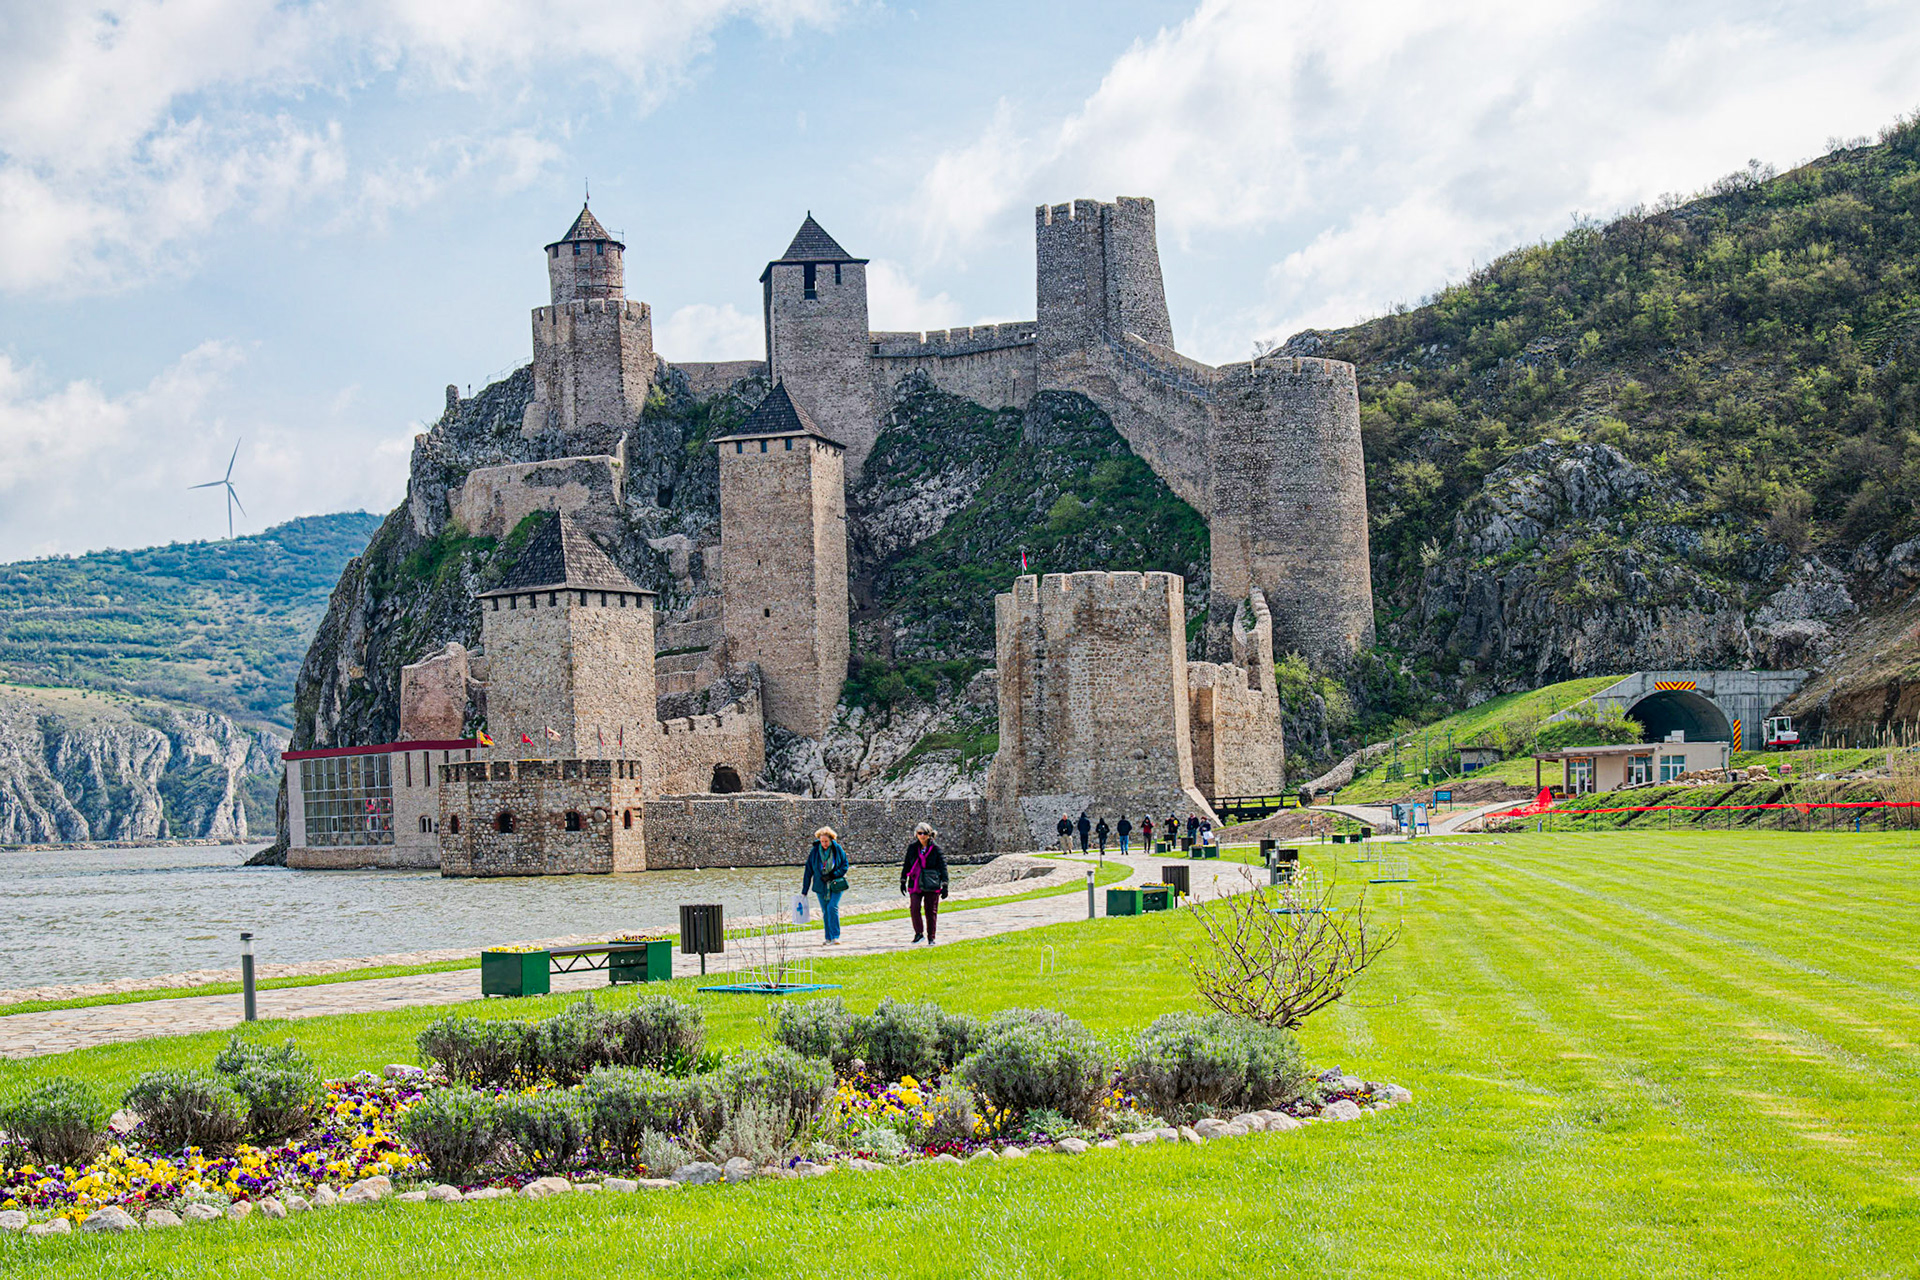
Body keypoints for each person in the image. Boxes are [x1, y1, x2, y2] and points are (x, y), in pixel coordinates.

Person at [900, 821, 950, 945]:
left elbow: (943, 866)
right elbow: (907, 864)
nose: (922, 836)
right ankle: (918, 933)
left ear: (929, 835)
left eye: (924, 833)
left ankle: (931, 937)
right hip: (915, 882)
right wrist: (902, 880)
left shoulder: (936, 849)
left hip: (931, 882)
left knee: (930, 911)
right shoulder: (912, 848)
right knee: (914, 908)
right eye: (919, 833)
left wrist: (945, 884)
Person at [801, 826, 849, 946]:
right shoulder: (815, 851)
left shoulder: (837, 849)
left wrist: (833, 875)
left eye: (826, 841)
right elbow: (808, 870)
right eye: (822, 841)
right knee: (825, 911)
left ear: (831, 839)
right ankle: (828, 938)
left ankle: (835, 936)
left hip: (836, 884)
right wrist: (804, 890)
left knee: (832, 907)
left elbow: (845, 865)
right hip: (820, 885)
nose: (824, 844)